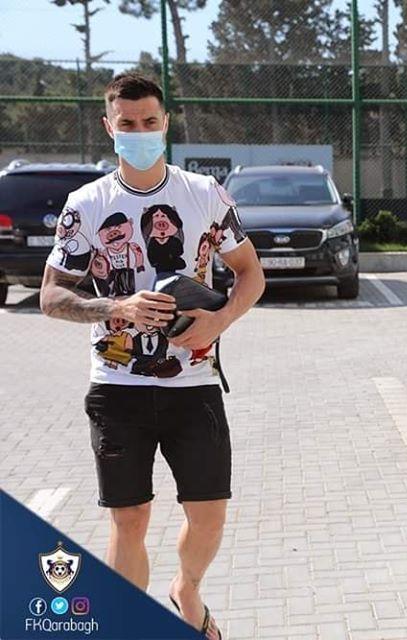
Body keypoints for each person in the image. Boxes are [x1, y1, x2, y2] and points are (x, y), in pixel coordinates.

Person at [39, 73, 265, 639]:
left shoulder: (204, 194)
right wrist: (117, 306)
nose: (138, 132)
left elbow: (250, 273)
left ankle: (186, 588)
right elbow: (50, 296)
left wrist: (220, 319)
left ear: (165, 124)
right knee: (130, 518)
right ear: (108, 127)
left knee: (209, 516)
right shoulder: (87, 205)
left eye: (148, 122)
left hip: (195, 383)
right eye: (127, 124)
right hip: (117, 388)